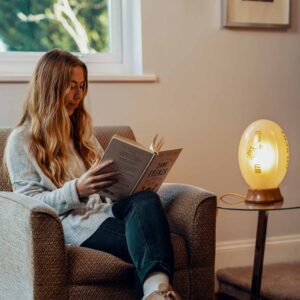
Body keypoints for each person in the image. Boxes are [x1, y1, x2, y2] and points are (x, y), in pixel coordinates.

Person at [4, 49, 180, 300]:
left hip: (106, 210)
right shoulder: (21, 141)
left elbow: (107, 181)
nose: (78, 95)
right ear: (50, 87)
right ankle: (159, 290)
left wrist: (137, 180)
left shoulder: (82, 134)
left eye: (82, 86)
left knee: (147, 201)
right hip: (76, 225)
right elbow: (28, 205)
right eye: (71, 86)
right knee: (152, 244)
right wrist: (77, 190)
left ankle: (155, 293)